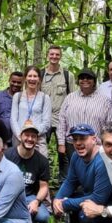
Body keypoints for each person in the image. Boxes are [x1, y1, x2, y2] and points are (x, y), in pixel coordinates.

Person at [53, 124, 112, 223]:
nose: (78, 143)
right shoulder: (76, 156)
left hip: (107, 204)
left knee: (85, 217)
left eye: (82, 139)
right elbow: (70, 181)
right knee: (63, 199)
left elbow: (99, 199)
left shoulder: (102, 161)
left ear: (94, 139)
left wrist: (65, 204)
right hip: (88, 195)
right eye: (75, 139)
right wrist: (57, 199)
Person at [56, 69, 112, 168]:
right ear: (78, 81)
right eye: (82, 78)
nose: (85, 80)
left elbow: (109, 124)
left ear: (94, 81)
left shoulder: (105, 101)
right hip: (72, 144)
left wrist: (107, 144)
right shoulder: (70, 98)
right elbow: (62, 121)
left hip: (96, 145)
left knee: (93, 172)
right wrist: (61, 143)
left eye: (89, 78)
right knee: (72, 172)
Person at [4, 124, 51, 223]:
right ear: (20, 136)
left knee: (44, 217)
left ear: (37, 139)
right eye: (27, 135)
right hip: (9, 195)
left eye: (33, 136)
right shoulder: (7, 155)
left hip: (29, 197)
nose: (30, 139)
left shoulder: (42, 161)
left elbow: (44, 187)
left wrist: (37, 201)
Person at [40, 46, 72, 177]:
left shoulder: (67, 75)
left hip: (61, 119)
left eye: (57, 54)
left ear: (60, 56)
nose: (54, 57)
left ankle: (64, 182)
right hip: (44, 118)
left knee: (63, 153)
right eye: (51, 54)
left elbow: (72, 97)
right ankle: (42, 181)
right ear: (47, 55)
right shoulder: (41, 74)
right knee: (41, 151)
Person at [11, 66, 52, 156]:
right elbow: (13, 119)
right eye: (29, 76)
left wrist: (33, 136)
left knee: (38, 167)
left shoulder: (45, 98)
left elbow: (46, 122)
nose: (32, 79)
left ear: (39, 79)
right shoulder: (17, 96)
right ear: (25, 78)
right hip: (19, 139)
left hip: (38, 140)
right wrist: (21, 136)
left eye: (35, 76)